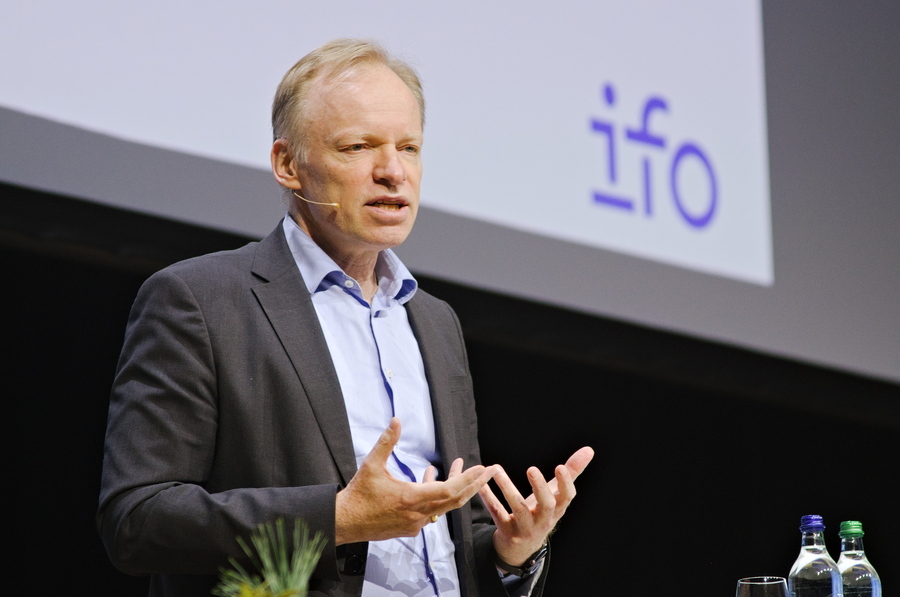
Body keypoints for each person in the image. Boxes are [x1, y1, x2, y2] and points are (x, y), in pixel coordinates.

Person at [97, 38, 593, 597]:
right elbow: (137, 520)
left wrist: (510, 552)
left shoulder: (434, 322)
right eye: (358, 147)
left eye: (409, 147)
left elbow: (451, 541)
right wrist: (337, 518)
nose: (393, 172)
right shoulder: (201, 302)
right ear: (288, 165)